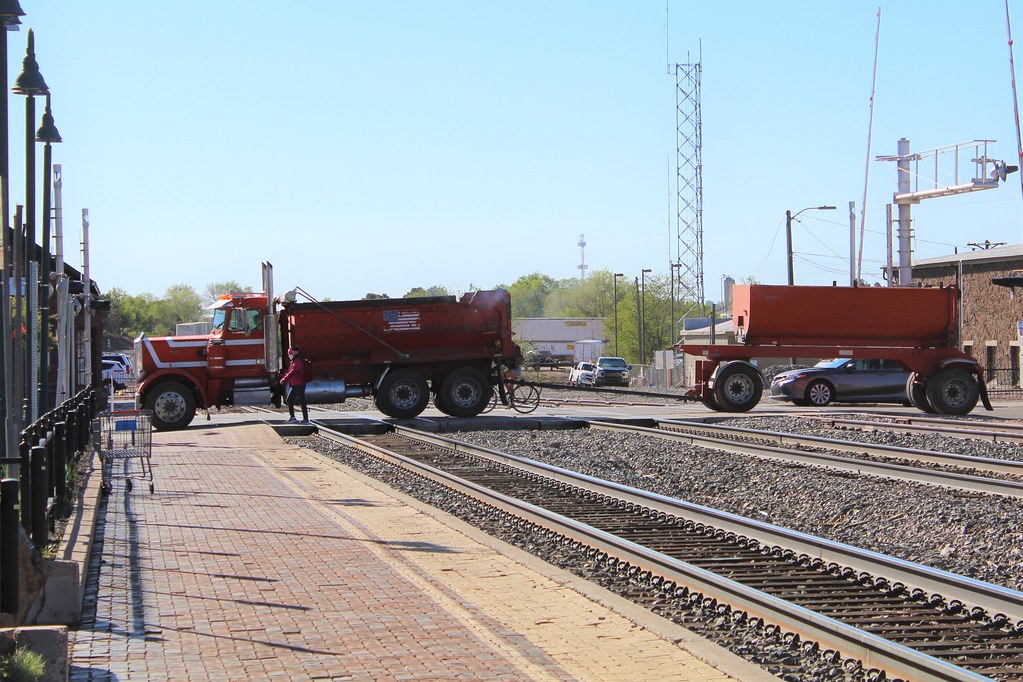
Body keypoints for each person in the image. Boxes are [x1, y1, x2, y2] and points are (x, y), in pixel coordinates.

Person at [280, 347, 309, 423]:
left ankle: (305, 419)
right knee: (291, 400)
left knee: (300, 401)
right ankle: (293, 417)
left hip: (299, 384)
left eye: (290, 354)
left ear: (293, 353)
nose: (289, 356)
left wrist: (284, 379)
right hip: (296, 384)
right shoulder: (295, 361)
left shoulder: (297, 361)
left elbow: (293, 371)